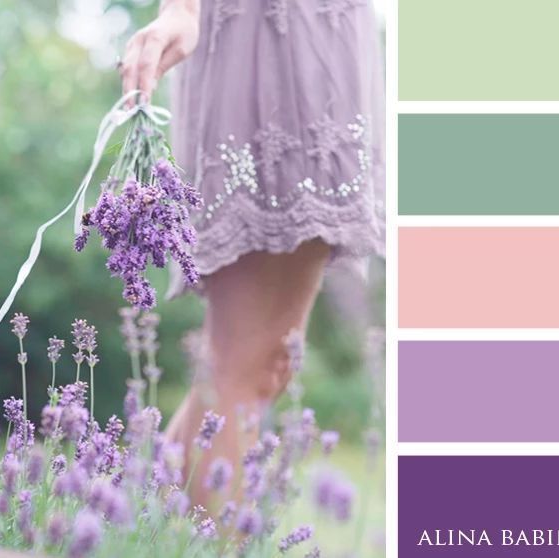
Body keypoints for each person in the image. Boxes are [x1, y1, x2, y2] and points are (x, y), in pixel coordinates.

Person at [121, 0, 384, 504]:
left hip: (325, 33)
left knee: (262, 363)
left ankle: (137, 528)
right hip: (272, 38)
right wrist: (181, 10)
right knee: (247, 366)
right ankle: (178, 538)